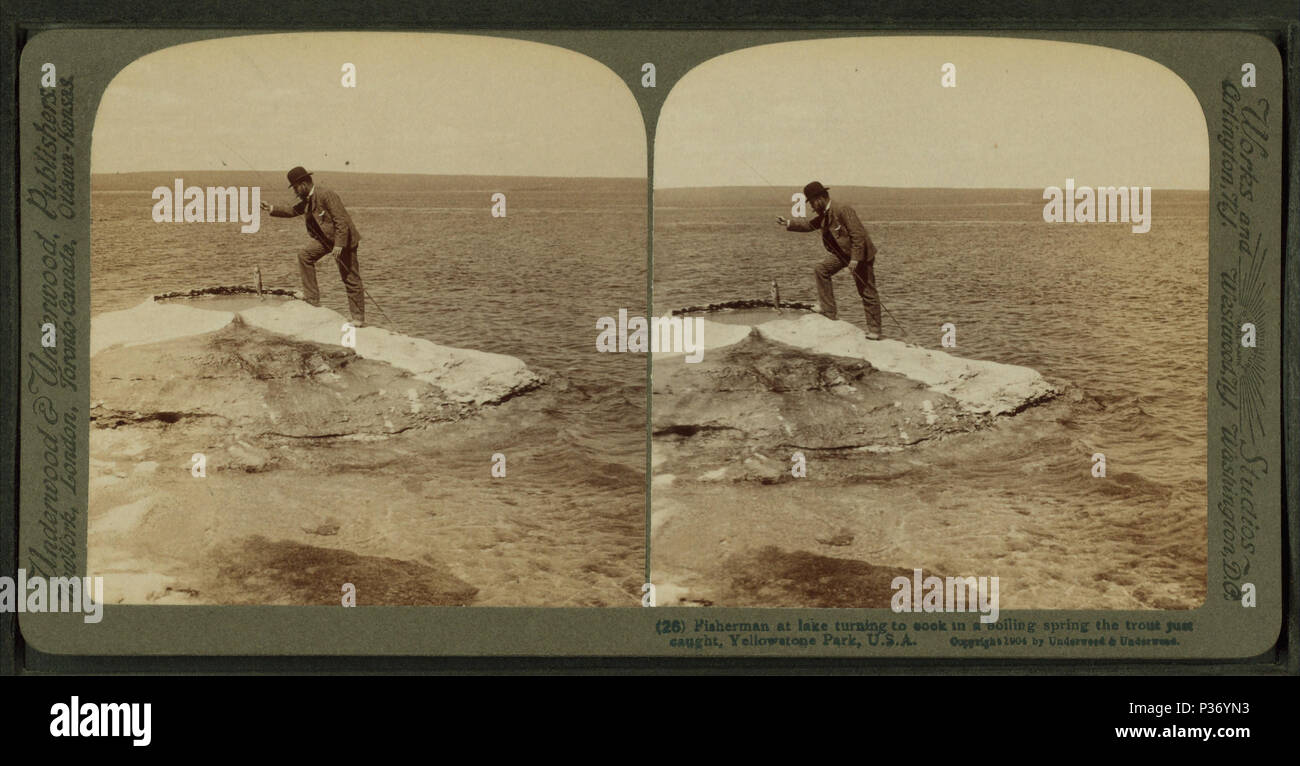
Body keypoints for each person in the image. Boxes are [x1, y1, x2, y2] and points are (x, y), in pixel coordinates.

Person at [261, 166, 365, 326]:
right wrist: (271, 208)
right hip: (326, 240)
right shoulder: (308, 199)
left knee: (350, 278)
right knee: (305, 256)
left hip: (344, 240)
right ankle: (312, 299)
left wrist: (339, 245)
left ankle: (358, 319)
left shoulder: (326, 195)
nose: (295, 191)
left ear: (303, 184)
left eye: (295, 187)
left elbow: (341, 221)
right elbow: (292, 210)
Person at [776, 181, 881, 339]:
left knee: (867, 292)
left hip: (860, 255)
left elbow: (858, 236)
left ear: (819, 199)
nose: (811, 206)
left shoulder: (842, 209)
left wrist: (854, 260)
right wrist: (788, 223)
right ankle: (829, 311)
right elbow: (810, 225)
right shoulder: (824, 214)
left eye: (811, 202)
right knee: (821, 269)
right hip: (842, 255)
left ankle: (875, 331)